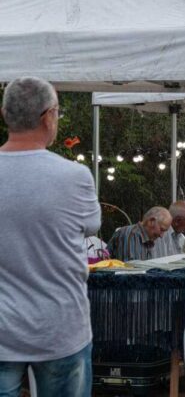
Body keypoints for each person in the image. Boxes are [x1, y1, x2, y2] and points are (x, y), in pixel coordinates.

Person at [0, 77, 101, 396]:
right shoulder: (75, 177)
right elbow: (91, 226)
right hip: (60, 326)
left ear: (5, 115)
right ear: (48, 117)